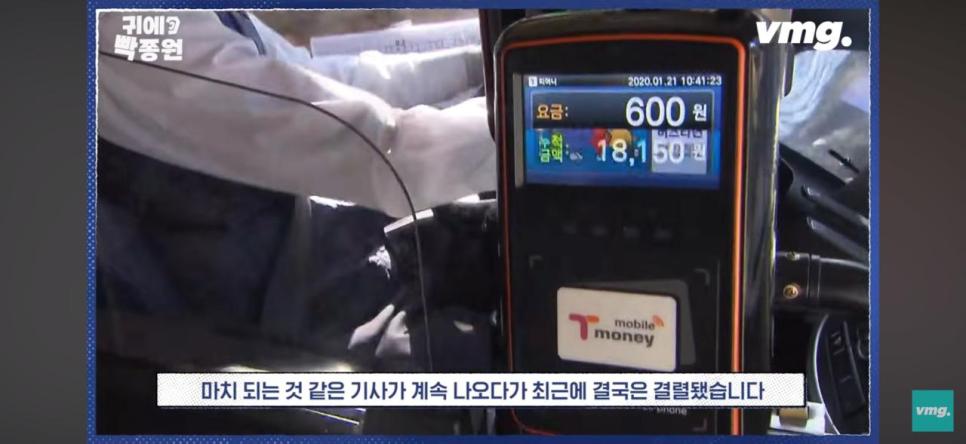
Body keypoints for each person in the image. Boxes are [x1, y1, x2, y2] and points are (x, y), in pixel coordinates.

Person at [97, 11, 496, 218]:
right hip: (266, 300)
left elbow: (312, 78)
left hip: (302, 238)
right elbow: (384, 159)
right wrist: (524, 127)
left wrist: (474, 65)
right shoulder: (125, 29)